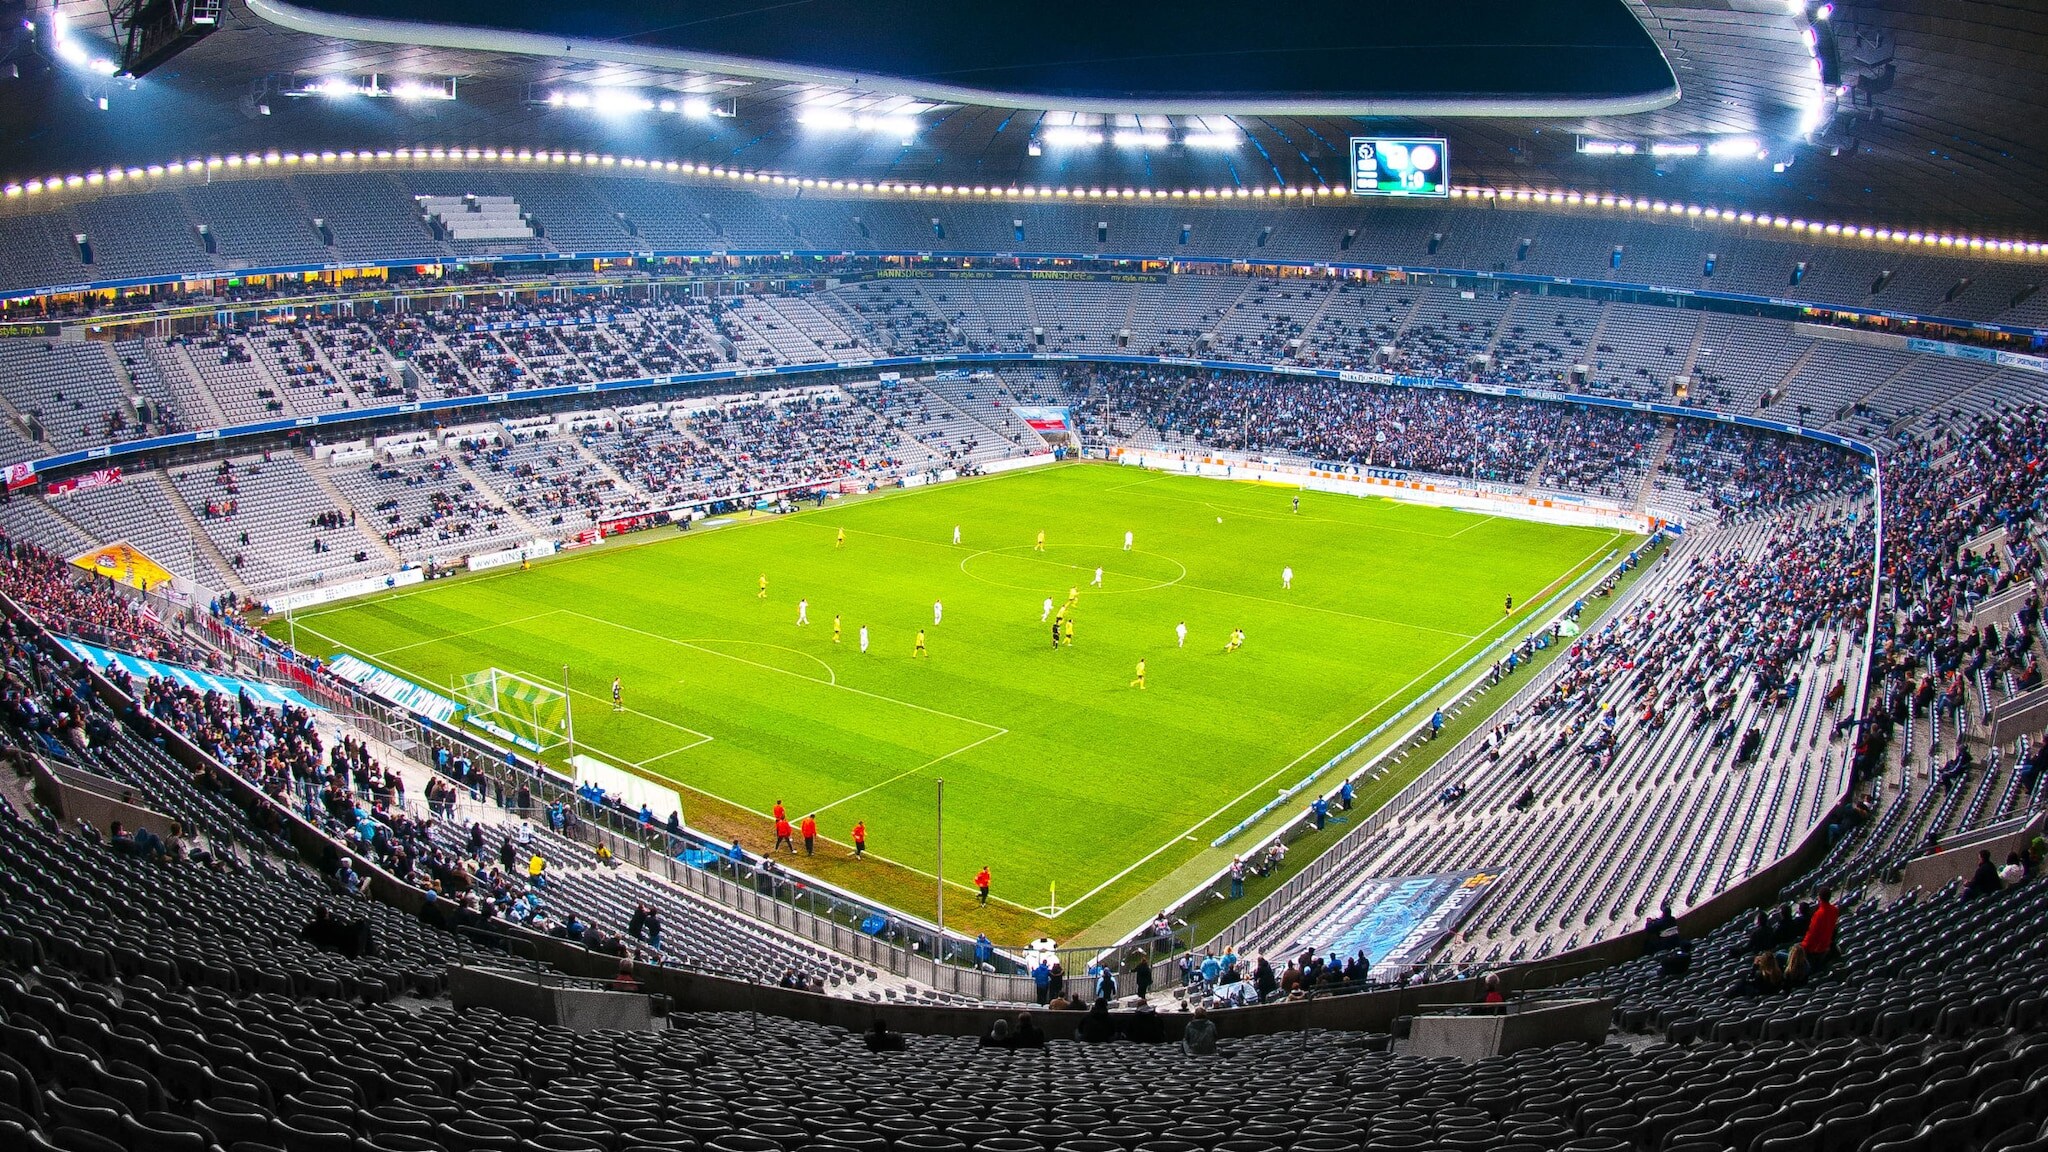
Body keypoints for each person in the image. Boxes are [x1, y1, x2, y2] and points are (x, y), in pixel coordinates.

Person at [1802, 886, 1839, 967]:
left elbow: (1812, 934)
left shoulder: (1818, 915)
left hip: (1817, 948)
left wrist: (1803, 946)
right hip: (1827, 943)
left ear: (1820, 898)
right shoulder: (1835, 910)